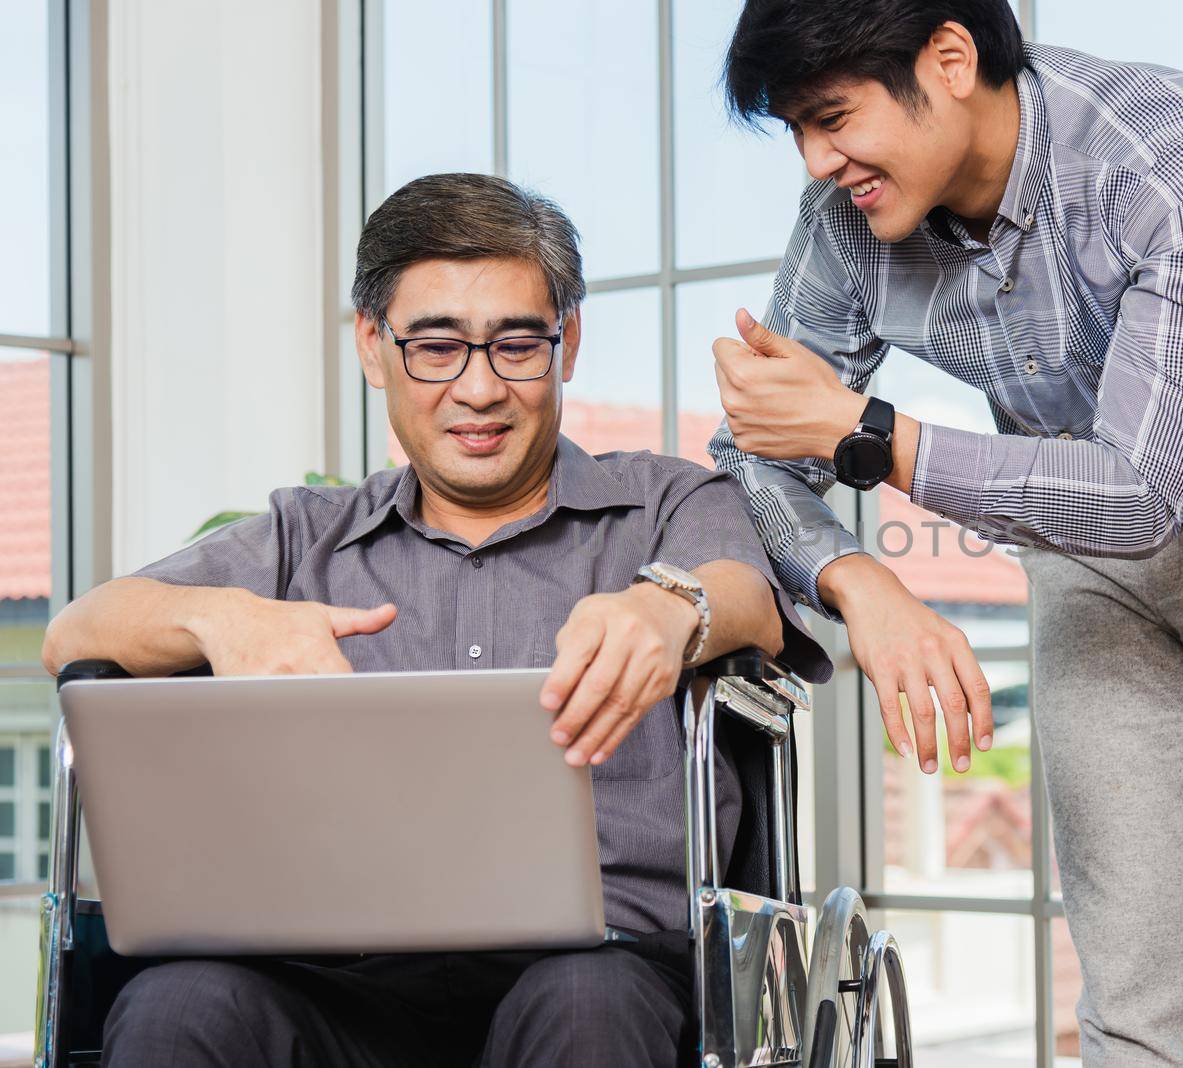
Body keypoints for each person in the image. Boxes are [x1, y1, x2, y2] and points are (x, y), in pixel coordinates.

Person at [708, 1, 1183, 1063]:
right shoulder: (846, 225)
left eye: (831, 117)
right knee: (1130, 979)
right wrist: (858, 580)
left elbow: (1140, 488)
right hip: (1085, 552)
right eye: (797, 131)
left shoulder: (1179, 159)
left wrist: (870, 434)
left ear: (948, 59)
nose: (816, 162)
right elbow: (753, 458)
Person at [42, 172, 828, 1068]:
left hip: (602, 969)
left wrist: (668, 605)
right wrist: (223, 620)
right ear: (374, 348)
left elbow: (748, 594)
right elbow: (75, 633)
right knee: (179, 1006)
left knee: (584, 1008)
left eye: (516, 345)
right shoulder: (306, 535)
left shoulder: (666, 504)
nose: (480, 389)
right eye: (437, 347)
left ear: (567, 344)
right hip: (333, 979)